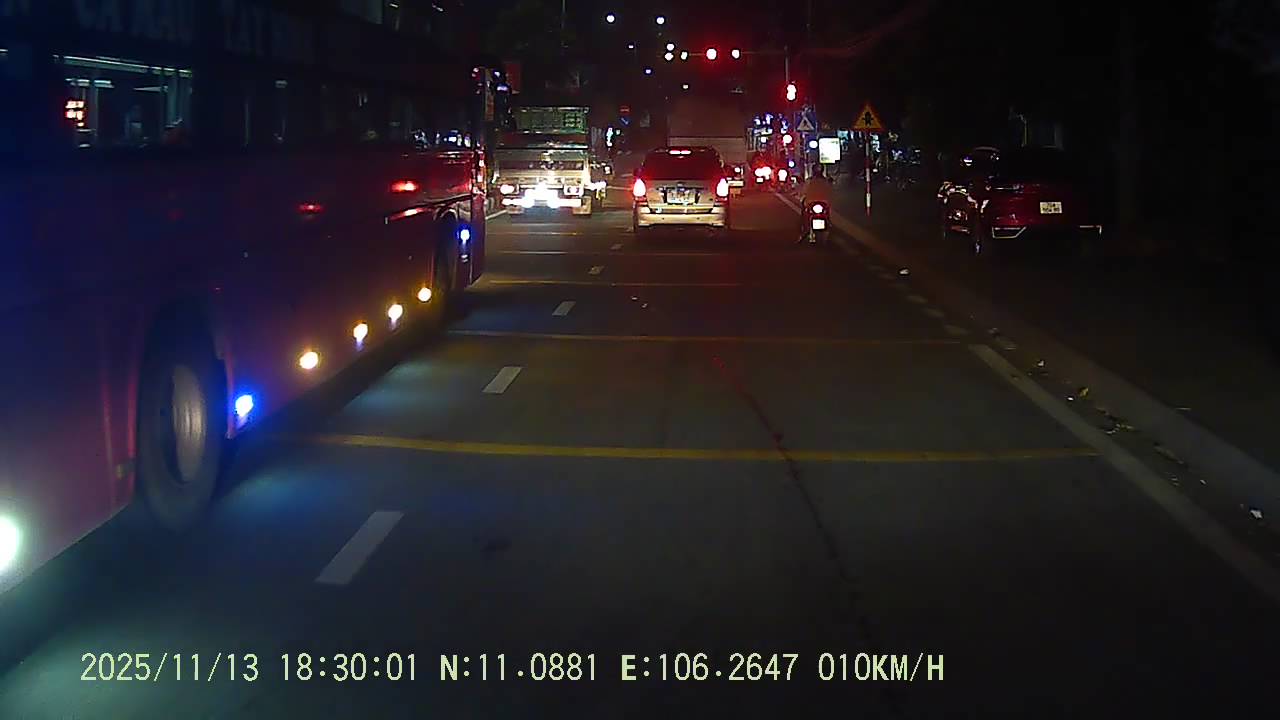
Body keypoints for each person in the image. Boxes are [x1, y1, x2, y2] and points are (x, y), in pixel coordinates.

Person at [798, 165, 835, 241]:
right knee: (827, 211)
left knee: (804, 212)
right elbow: (831, 192)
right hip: (821, 203)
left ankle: (804, 228)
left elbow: (803, 192)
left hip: (812, 202)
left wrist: (802, 197)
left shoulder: (810, 181)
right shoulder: (826, 181)